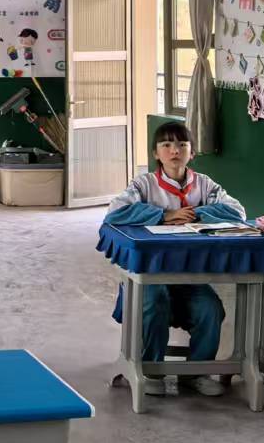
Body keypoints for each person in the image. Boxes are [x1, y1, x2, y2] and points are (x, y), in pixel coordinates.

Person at [103, 120, 246, 396]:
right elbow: (115, 213)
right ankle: (150, 370)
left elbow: (237, 211)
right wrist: (163, 215)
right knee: (155, 301)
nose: (175, 151)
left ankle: (195, 372)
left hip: (188, 274)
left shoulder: (204, 184)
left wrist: (197, 213)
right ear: (155, 153)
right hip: (150, 273)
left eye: (182, 144)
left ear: (192, 152)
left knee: (210, 309)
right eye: (166, 145)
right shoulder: (143, 185)